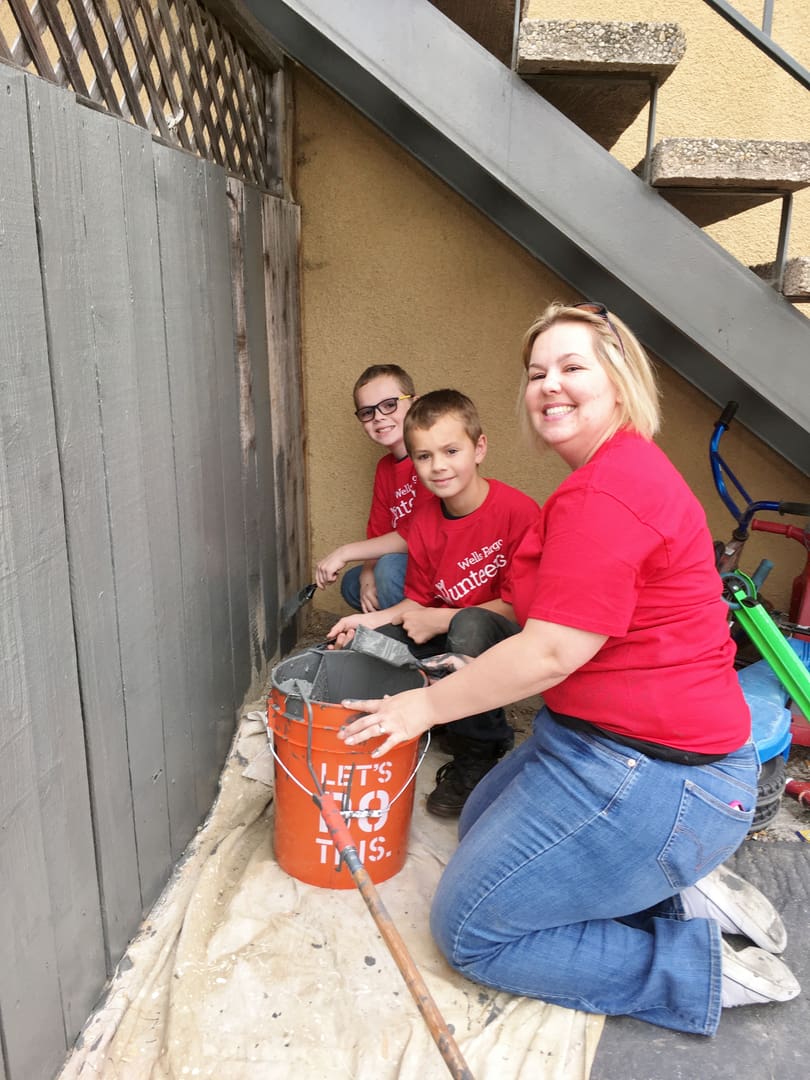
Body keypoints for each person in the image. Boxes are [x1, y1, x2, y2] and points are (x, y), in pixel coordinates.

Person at [334, 301, 800, 1034]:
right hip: (594, 737)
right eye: (536, 372)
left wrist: (420, 708)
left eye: (572, 366)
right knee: (481, 822)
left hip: (661, 771)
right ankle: (676, 892)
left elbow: (551, 650)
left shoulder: (607, 491)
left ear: (619, 380)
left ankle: (692, 964)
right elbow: (545, 625)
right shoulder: (602, 477)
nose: (549, 384)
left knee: (471, 929)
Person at [328, 389, 541, 817]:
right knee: (374, 643)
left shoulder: (518, 511)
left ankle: (480, 748)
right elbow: (416, 602)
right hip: (448, 630)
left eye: (450, 451)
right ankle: (445, 714)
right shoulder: (425, 521)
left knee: (470, 626)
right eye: (423, 456)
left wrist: (441, 618)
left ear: (479, 448)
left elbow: (523, 608)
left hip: (504, 635)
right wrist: (365, 625)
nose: (438, 466)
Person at [316, 364, 434, 613]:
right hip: (410, 566)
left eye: (390, 404)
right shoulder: (385, 468)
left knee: (388, 567)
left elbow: (416, 535)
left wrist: (345, 552)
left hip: (440, 568)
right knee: (354, 582)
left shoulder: (431, 458)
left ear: (415, 403)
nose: (379, 417)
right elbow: (379, 532)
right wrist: (367, 574)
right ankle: (396, 621)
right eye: (367, 412)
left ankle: (417, 644)